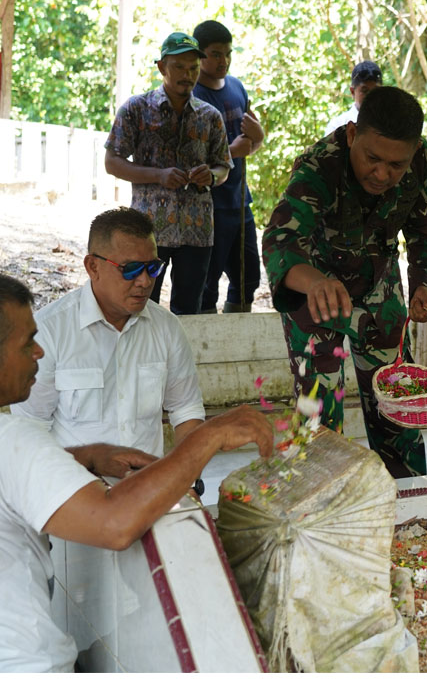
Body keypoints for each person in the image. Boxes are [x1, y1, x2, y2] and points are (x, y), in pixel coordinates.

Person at [0, 273, 272, 672]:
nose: (38, 353)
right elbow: (114, 523)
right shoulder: (13, 439)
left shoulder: (164, 327)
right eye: (26, 343)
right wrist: (209, 436)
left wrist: (87, 456)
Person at [262, 86, 427, 479]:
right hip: (315, 289)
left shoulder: (423, 162)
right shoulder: (320, 166)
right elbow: (280, 241)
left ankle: (409, 496)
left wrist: (425, 285)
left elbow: (425, 235)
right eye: (372, 158)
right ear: (351, 135)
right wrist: (314, 283)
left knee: (396, 400)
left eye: (396, 165)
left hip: (379, 284)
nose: (382, 174)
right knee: (319, 414)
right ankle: (327, 507)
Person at [11, 208, 206, 457]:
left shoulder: (166, 327)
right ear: (93, 267)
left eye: (153, 268)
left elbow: (186, 410)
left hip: (149, 489)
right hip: (72, 488)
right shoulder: (49, 331)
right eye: (132, 269)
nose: (145, 281)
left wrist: (184, 477)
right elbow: (31, 433)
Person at [104, 32, 232, 316]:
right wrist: (157, 175)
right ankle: (138, 360)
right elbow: (112, 162)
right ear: (162, 67)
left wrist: (210, 175)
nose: (188, 75)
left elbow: (224, 167)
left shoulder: (210, 116)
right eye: (180, 67)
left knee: (188, 312)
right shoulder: (136, 109)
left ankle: (178, 361)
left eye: (194, 69)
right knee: (140, 306)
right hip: (147, 231)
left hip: (197, 232)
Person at [192, 20, 266, 314]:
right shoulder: (193, 96)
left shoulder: (236, 87)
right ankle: (207, 350)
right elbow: (190, 159)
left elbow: (249, 145)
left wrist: (259, 139)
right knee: (206, 284)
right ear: (200, 55)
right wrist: (230, 152)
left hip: (239, 202)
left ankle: (238, 343)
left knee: (248, 279)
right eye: (215, 54)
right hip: (208, 205)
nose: (224, 61)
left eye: (228, 53)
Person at [324, 60, 383, 136]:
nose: (371, 96)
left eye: (376, 91)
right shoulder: (337, 127)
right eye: (365, 91)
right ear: (352, 92)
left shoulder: (391, 125)